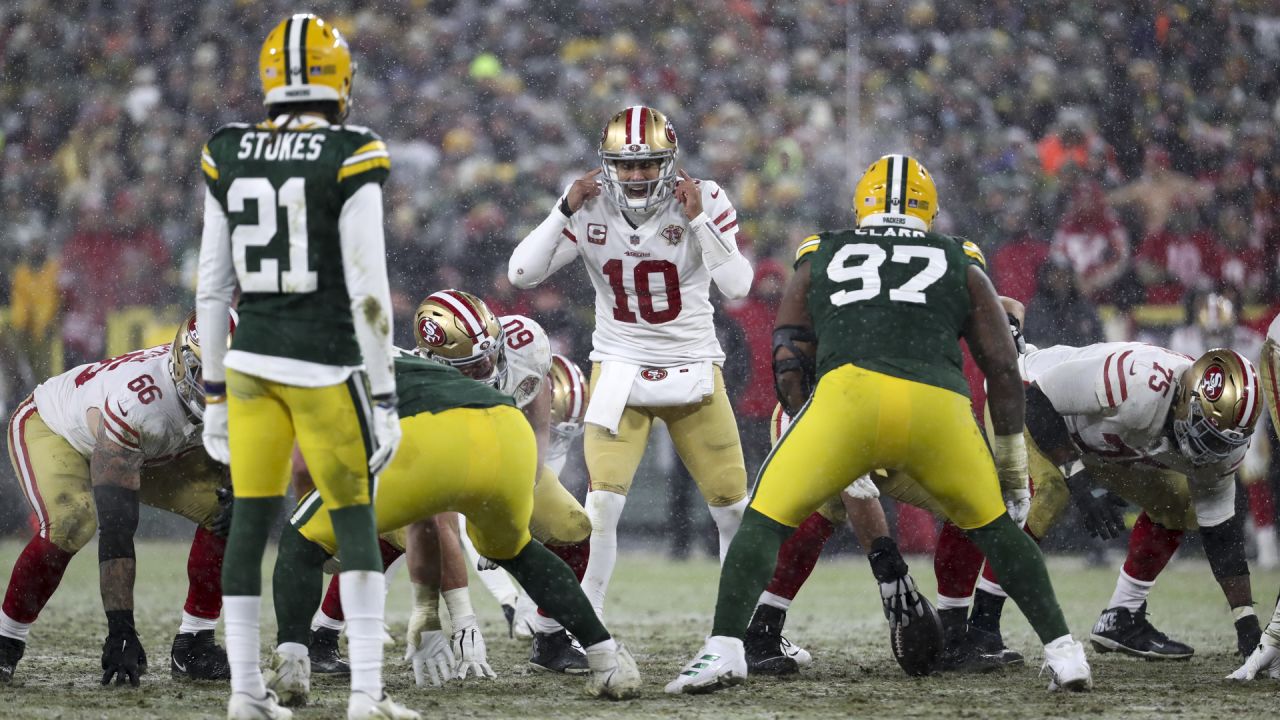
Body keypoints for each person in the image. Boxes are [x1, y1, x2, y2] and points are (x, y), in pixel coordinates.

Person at [665, 153, 1091, 695]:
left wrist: (810, 427)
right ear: (929, 208)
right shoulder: (959, 256)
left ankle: (727, 648)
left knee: (762, 521)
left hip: (848, 401)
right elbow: (1004, 369)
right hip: (936, 410)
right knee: (997, 528)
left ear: (861, 203)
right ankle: (1064, 652)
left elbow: (789, 350)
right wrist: (1008, 467)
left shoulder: (824, 250)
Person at [194, 14, 409, 720]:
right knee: (353, 524)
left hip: (250, 364)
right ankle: (367, 695)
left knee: (251, 523)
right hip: (322, 365)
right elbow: (369, 286)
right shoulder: (350, 151)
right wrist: (383, 393)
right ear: (338, 79)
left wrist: (216, 390)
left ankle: (244, 693)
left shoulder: (228, 149)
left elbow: (212, 286)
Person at [268, 352, 640, 701]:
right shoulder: (394, 356)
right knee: (518, 552)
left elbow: (304, 469)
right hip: (506, 428)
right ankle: (608, 660)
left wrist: (326, 544)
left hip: (427, 431)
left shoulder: (312, 370)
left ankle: (292, 664)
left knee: (300, 537)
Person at [508, 105, 754, 620]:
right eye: (625, 164)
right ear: (607, 164)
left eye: (648, 164)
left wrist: (698, 220)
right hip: (619, 367)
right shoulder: (591, 206)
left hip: (692, 361)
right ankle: (585, 622)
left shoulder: (703, 197)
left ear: (670, 162)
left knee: (732, 509)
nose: (637, 175)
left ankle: (744, 627)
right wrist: (562, 209)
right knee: (601, 507)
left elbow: (737, 286)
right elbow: (522, 273)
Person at [958, 342, 1264, 661]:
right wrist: (1077, 478)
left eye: (1223, 439)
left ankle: (1122, 617)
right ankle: (982, 626)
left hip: (1098, 439)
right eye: (1207, 431)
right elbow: (1037, 399)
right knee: (1052, 490)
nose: (1211, 448)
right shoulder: (1138, 382)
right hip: (1024, 397)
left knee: (1179, 502)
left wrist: (1247, 625)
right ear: (1188, 398)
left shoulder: (1224, 450)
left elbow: (1221, 534)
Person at [0, 312, 234, 685]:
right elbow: (117, 529)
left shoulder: (251, 397)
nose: (219, 390)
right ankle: (5, 641)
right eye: (210, 374)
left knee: (228, 510)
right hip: (57, 429)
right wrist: (120, 629)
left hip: (153, 447)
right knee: (74, 520)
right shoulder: (140, 404)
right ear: (183, 362)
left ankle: (194, 643)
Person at [1230, 313, 1280, 680]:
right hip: (1216, 419)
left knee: (1255, 470)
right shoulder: (1274, 334)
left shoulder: (1255, 338)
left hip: (1247, 419)